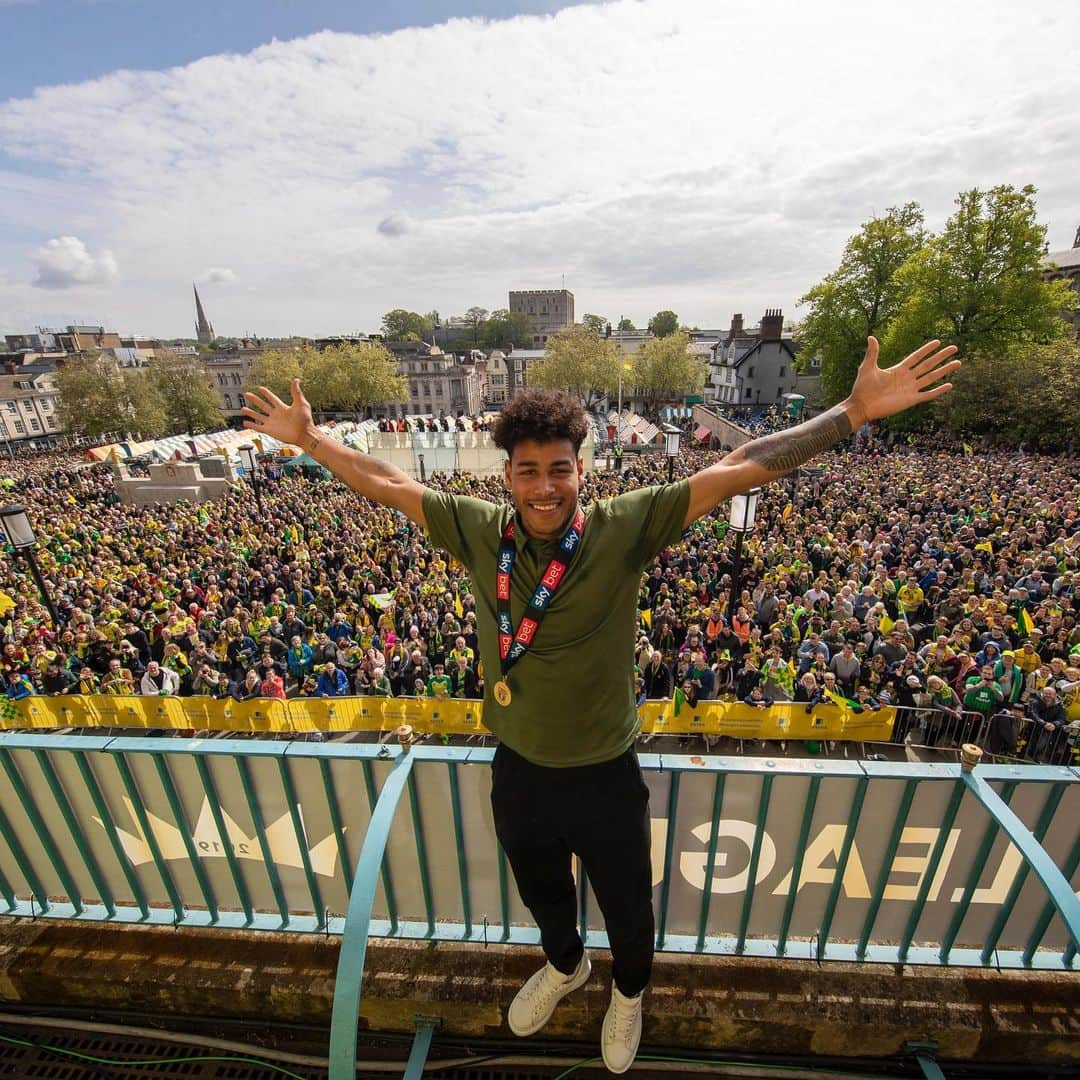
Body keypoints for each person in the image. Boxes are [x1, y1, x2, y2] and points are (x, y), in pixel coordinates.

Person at [243, 335, 959, 1073]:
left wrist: (852, 411)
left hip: (606, 773)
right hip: (519, 767)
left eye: (560, 470)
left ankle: (629, 992)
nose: (545, 487)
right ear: (508, 476)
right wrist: (312, 441)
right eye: (529, 472)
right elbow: (386, 480)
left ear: (582, 469)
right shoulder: (481, 532)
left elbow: (738, 466)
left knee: (628, 910)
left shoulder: (621, 528)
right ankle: (565, 967)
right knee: (544, 894)